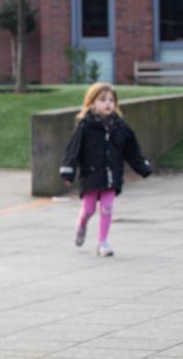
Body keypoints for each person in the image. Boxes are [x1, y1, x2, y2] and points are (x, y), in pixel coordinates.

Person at [61, 82, 154, 257]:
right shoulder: (85, 127)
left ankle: (102, 242)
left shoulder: (120, 127)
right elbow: (73, 150)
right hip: (91, 174)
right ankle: (82, 223)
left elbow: (132, 150)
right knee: (89, 209)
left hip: (112, 174)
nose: (108, 104)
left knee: (107, 207)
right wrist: (68, 171)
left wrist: (143, 167)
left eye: (111, 100)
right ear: (91, 104)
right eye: (103, 100)